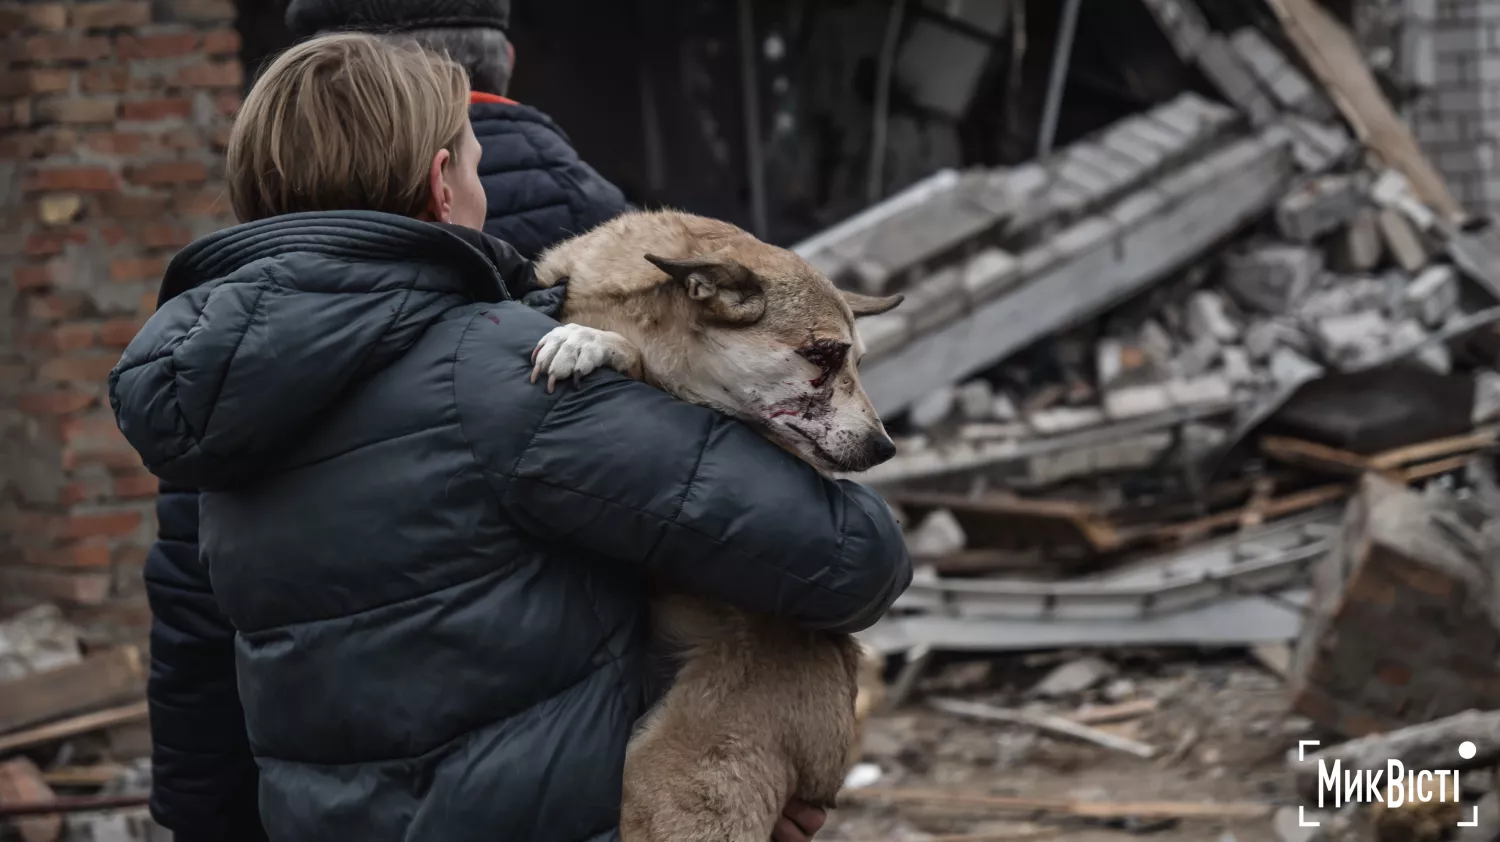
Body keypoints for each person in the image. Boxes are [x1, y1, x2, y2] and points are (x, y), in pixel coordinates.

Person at [112, 32, 909, 842]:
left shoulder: (216, 407)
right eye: (475, 162)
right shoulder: (509, 378)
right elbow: (848, 560)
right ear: (442, 186)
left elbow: (199, 652)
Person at [140, 4, 631, 840]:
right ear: (504, 58)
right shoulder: (625, 242)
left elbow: (196, 611)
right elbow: (733, 535)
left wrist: (204, 819)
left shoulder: (231, 334)